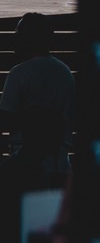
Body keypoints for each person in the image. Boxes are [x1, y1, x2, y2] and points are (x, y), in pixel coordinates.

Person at [1, 11, 74, 185]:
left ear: (29, 38)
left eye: (18, 34)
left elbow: (6, 119)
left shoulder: (19, 73)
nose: (15, 39)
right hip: (60, 162)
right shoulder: (65, 72)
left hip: (24, 162)